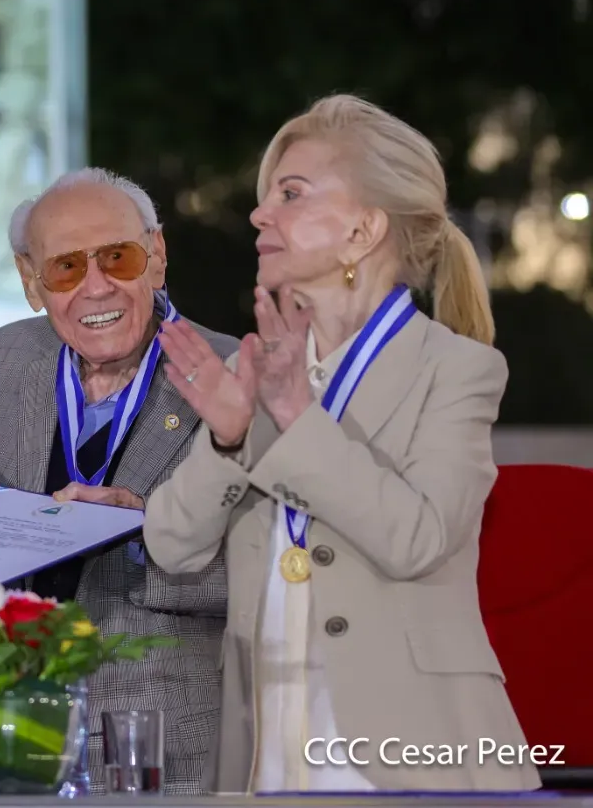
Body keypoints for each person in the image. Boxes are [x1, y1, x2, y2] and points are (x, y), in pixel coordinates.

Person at [143, 95, 537, 793]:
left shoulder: (457, 369)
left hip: (419, 756)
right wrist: (228, 439)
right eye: (267, 196)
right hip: (268, 754)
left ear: (363, 229)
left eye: (291, 194)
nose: (260, 215)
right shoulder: (257, 368)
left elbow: (417, 539)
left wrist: (297, 420)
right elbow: (171, 545)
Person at [0, 167, 237, 793]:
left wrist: (148, 534)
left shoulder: (238, 376)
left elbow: (283, 571)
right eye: (67, 268)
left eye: (117, 257)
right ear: (30, 281)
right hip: (5, 745)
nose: (96, 287)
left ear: (157, 256)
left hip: (171, 754)